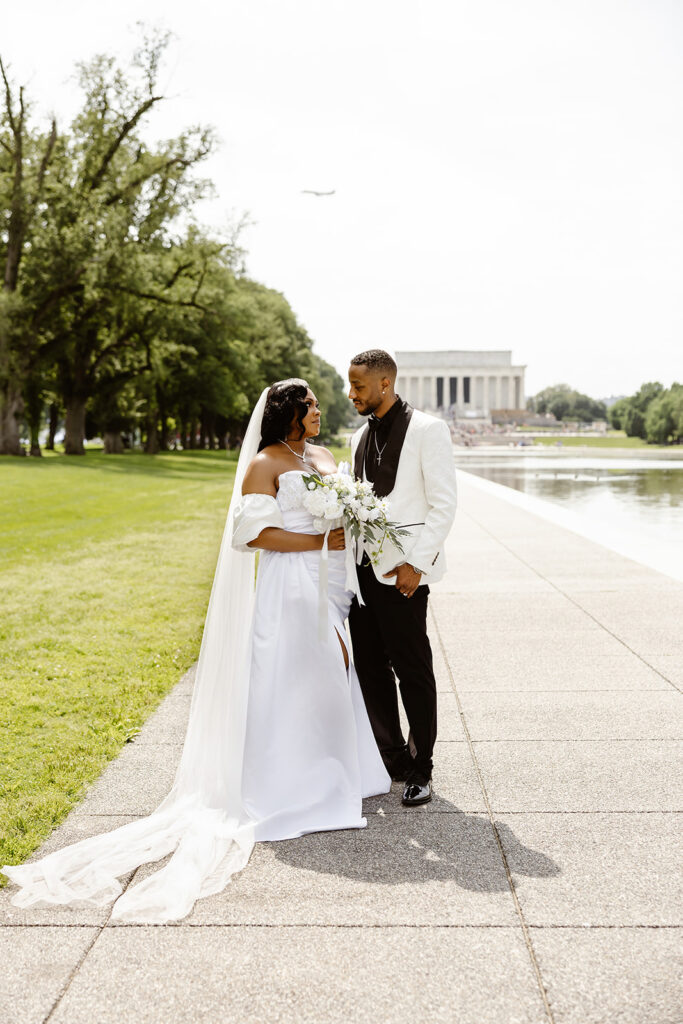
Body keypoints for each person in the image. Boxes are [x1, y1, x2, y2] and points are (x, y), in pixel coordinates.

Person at [2, 379, 390, 924]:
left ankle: (336, 772)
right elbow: (252, 536)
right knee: (298, 673)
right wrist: (319, 542)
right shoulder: (265, 463)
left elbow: (341, 517)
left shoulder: (324, 454)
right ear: (289, 413)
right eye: (311, 406)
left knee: (334, 670)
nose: (319, 411)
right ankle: (293, 782)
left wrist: (351, 528)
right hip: (290, 584)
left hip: (329, 584)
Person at [347, 350, 458, 807]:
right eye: (350, 386)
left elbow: (443, 504)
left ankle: (421, 766)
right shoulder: (357, 436)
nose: (351, 394)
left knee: (413, 670)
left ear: (385, 384)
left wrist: (417, 564)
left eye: (358, 386)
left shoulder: (429, 430)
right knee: (371, 669)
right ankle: (391, 756)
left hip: (405, 575)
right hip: (360, 576)